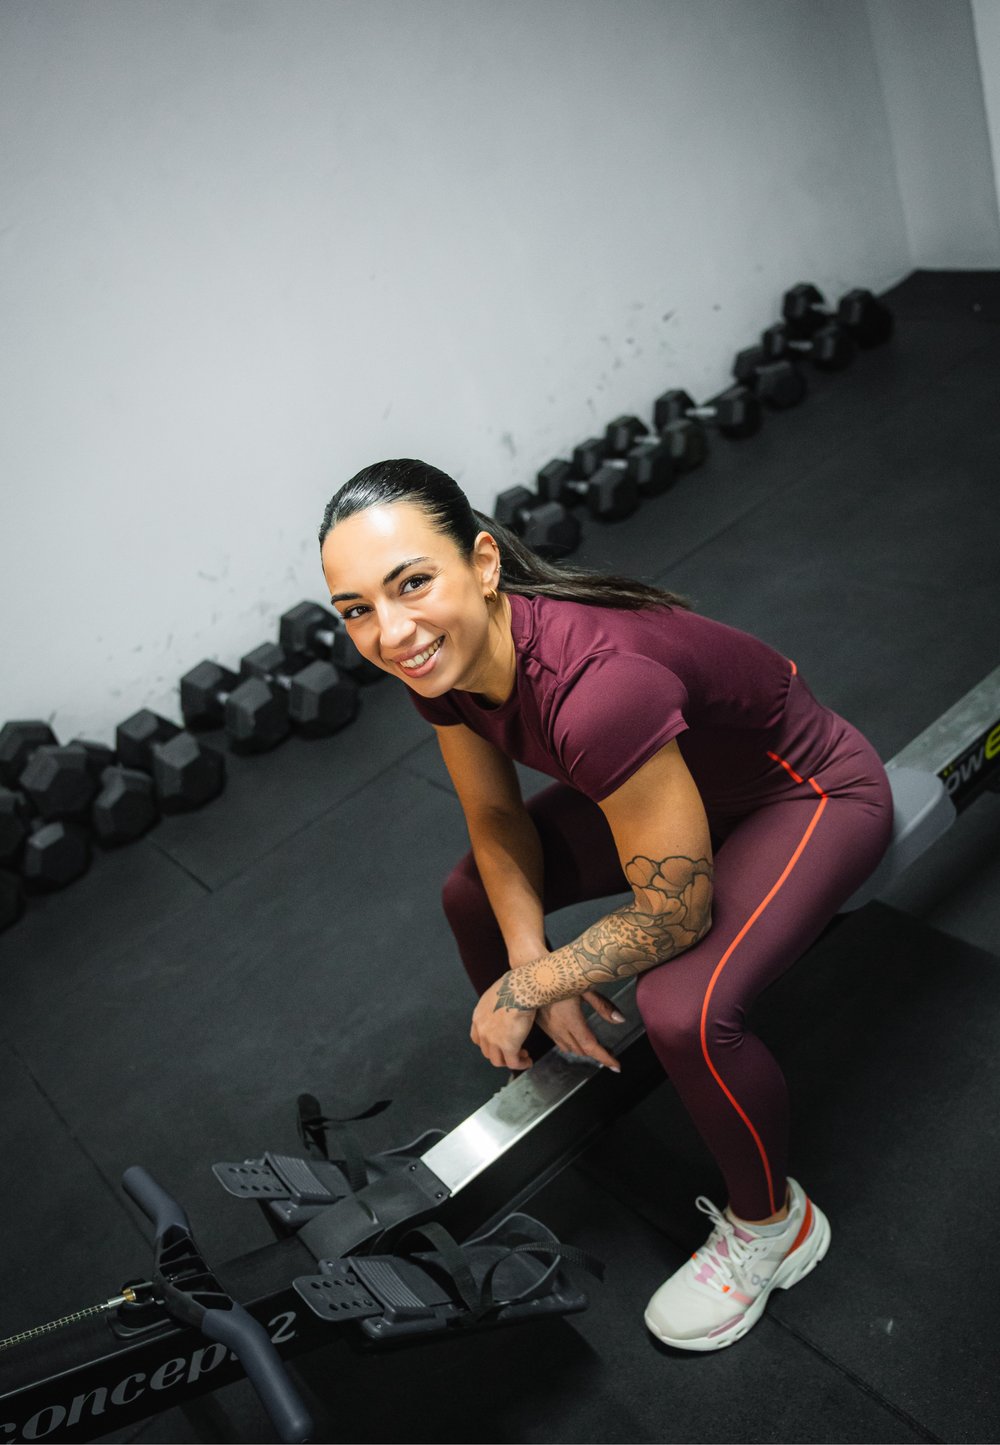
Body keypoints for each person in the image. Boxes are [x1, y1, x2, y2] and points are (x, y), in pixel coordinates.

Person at [318, 457, 893, 1352]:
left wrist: (532, 979)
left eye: (412, 584)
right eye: (356, 609)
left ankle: (775, 1223)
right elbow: (495, 815)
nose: (390, 632)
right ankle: (564, 1064)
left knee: (682, 1008)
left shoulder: (595, 689)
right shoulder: (438, 659)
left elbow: (676, 914)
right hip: (661, 793)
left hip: (805, 795)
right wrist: (529, 965)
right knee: (470, 891)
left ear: (483, 564)